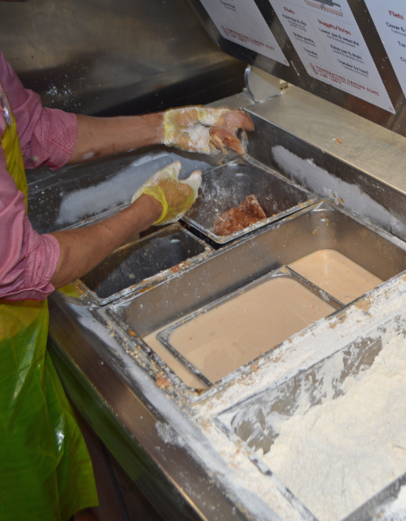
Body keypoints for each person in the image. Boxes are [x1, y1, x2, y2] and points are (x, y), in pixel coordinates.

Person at [0, 42, 254, 520]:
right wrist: (148, 209)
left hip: (15, 335)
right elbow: (21, 265)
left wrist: (163, 126)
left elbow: (31, 129)